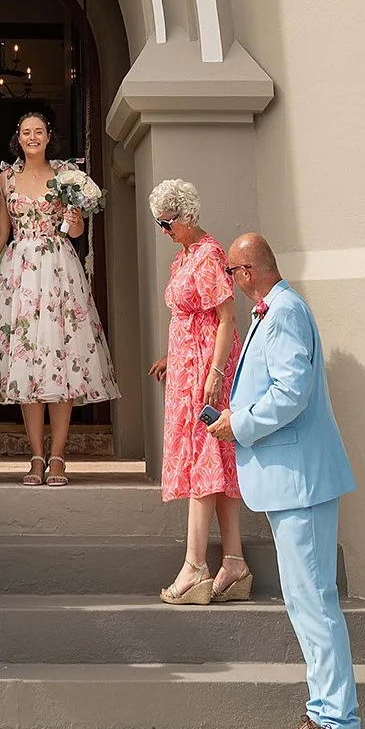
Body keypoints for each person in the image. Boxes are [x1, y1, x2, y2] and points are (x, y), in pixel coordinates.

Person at [206, 232, 360, 729]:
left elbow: (292, 391)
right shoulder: (273, 311)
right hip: (289, 481)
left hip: (302, 481)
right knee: (302, 602)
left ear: (246, 272)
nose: (229, 279)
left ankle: (339, 724)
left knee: (314, 601)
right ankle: (322, 716)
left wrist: (239, 423)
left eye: (231, 271)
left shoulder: (286, 311)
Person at [0, 104, 119, 484]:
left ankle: (57, 457)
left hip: (57, 270)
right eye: (26, 132)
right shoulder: (8, 179)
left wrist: (73, 221)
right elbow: (1, 232)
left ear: (49, 136)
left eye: (39, 131)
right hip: (19, 274)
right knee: (26, 365)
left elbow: (77, 231)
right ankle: (35, 456)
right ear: (17, 139)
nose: (32, 137)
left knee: (62, 361)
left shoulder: (67, 176)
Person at [147, 177, 250, 604]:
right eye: (159, 224)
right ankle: (235, 562)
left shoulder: (209, 256)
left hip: (206, 373)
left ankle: (194, 567)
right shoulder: (185, 255)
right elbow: (190, 319)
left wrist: (214, 373)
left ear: (185, 217)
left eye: (166, 223)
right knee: (217, 462)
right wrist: (173, 356)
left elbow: (226, 318)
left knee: (204, 459)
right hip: (189, 368)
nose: (163, 231)